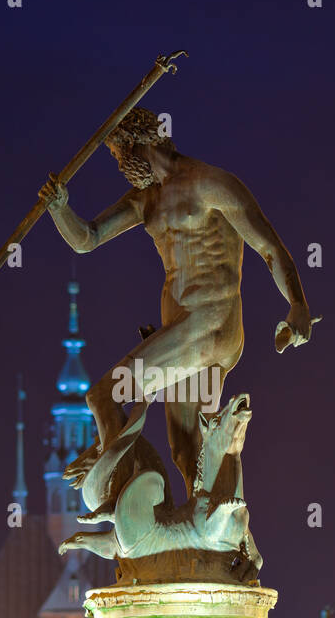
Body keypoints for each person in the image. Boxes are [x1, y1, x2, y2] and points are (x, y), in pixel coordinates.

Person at [40, 107, 316, 496]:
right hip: (188, 335)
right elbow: (87, 238)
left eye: (120, 156)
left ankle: (109, 487)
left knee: (102, 395)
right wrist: (59, 207)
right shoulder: (145, 200)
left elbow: (269, 247)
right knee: (187, 451)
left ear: (138, 143)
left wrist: (297, 304)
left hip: (205, 325)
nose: (120, 166)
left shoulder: (209, 182)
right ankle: (211, 533)